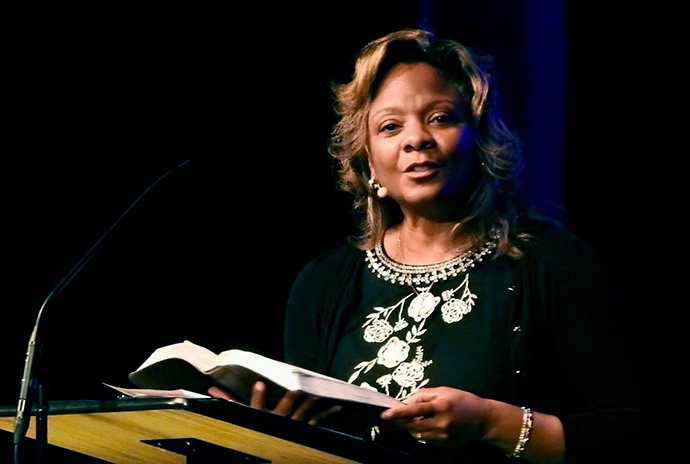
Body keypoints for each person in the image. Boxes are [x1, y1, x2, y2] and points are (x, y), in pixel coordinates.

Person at [213, 29, 646, 463]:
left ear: (478, 139)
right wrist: (271, 429)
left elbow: (624, 435)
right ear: (367, 159)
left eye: (440, 118)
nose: (416, 138)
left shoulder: (557, 264)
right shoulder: (322, 284)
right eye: (390, 126)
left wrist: (491, 422)